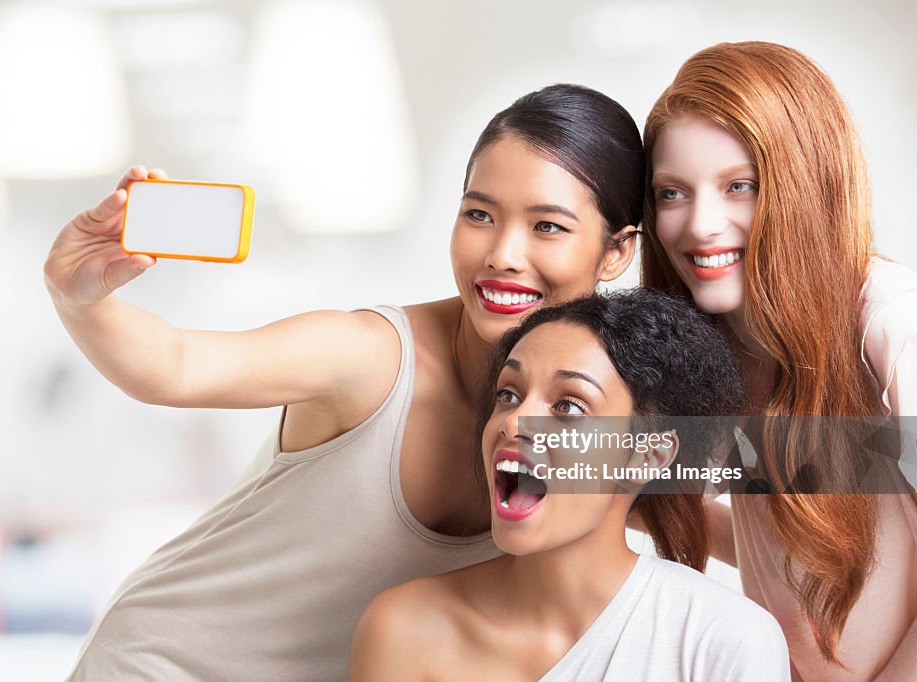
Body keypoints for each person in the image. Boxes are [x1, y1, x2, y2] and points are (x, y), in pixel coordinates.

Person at [43, 84, 644, 680]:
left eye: (548, 227)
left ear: (617, 252)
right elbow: (176, 365)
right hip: (163, 666)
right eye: (480, 215)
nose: (503, 254)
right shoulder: (370, 357)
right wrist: (80, 298)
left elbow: (722, 478)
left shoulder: (600, 413)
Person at [640, 41, 917, 680]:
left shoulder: (894, 325)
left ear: (803, 186)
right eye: (672, 193)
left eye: (739, 186)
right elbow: (800, 548)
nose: (701, 225)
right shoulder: (727, 348)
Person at [349, 290, 790, 681]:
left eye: (569, 406)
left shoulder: (726, 641)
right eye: (508, 394)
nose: (515, 422)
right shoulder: (405, 629)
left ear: (646, 457)